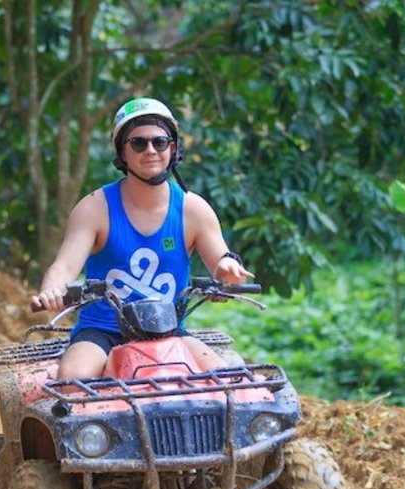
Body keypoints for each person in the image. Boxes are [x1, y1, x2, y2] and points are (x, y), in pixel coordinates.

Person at [31, 97, 253, 379]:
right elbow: (63, 267)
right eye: (138, 143)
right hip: (102, 333)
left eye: (159, 142)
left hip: (170, 332)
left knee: (229, 383)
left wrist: (227, 273)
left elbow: (224, 264)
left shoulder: (193, 209)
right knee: (74, 380)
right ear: (122, 152)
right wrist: (52, 290)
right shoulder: (94, 207)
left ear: (172, 148)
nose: (150, 150)